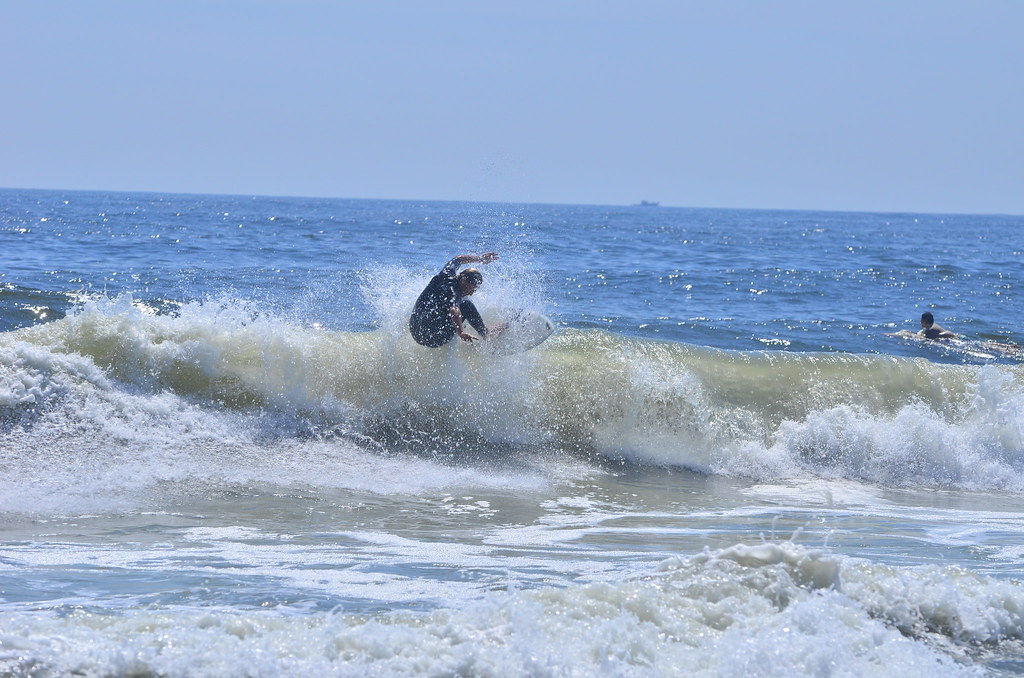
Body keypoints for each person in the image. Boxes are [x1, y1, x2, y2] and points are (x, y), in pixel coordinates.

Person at [409, 252, 499, 347]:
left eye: (474, 290)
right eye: (470, 289)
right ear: (463, 279)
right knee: (467, 305)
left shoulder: (447, 273)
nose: (471, 293)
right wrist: (461, 332)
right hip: (432, 338)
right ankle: (485, 334)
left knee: (447, 306)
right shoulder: (453, 292)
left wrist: (480, 259)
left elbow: (458, 259)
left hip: (415, 328)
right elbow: (454, 310)